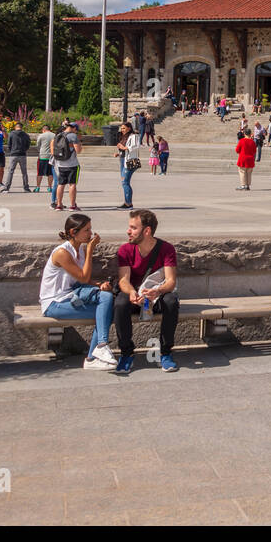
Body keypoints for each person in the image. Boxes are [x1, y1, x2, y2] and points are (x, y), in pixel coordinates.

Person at [39, 213, 118, 370]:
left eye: (90, 229)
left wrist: (98, 284)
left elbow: (82, 278)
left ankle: (97, 353)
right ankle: (94, 355)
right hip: (54, 303)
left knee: (106, 298)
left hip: (71, 295)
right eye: (87, 230)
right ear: (74, 232)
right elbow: (82, 277)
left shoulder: (79, 249)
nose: (91, 233)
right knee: (106, 311)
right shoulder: (62, 252)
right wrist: (90, 250)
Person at [111, 209, 179, 373]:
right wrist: (132, 293)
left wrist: (157, 291)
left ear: (147, 231)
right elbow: (123, 280)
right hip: (135, 296)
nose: (128, 231)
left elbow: (171, 281)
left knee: (171, 301)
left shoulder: (166, 249)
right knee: (120, 303)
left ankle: (166, 353)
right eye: (129, 227)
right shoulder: (125, 250)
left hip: (155, 296)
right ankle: (126, 353)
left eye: (133, 228)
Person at [51, 122, 83, 211]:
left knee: (60, 184)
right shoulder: (73, 136)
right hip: (72, 164)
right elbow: (78, 151)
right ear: (74, 128)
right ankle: (72, 205)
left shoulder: (58, 135)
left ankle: (59, 204)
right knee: (72, 184)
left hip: (60, 164)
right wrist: (79, 143)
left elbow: (53, 150)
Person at [114, 122, 141, 208]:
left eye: (124, 128)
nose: (122, 130)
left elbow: (135, 146)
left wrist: (124, 148)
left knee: (125, 182)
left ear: (129, 128)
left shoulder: (134, 136)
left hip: (129, 161)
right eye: (121, 128)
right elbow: (123, 149)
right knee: (124, 182)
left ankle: (128, 203)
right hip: (122, 160)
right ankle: (127, 202)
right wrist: (118, 153)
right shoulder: (123, 137)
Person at [2, 119, 32, 192]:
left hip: (13, 154)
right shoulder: (26, 135)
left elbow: (9, 144)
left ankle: (7, 187)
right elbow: (28, 145)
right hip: (22, 154)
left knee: (10, 171)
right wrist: (24, 150)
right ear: (21, 127)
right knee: (24, 172)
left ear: (15, 127)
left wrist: (11, 150)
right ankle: (26, 187)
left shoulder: (11, 134)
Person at [35, 123, 55, 194]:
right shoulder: (54, 135)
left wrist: (40, 151)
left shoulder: (41, 136)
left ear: (43, 130)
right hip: (51, 157)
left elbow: (38, 145)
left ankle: (38, 187)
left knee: (39, 173)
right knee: (50, 173)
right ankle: (49, 187)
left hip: (42, 156)